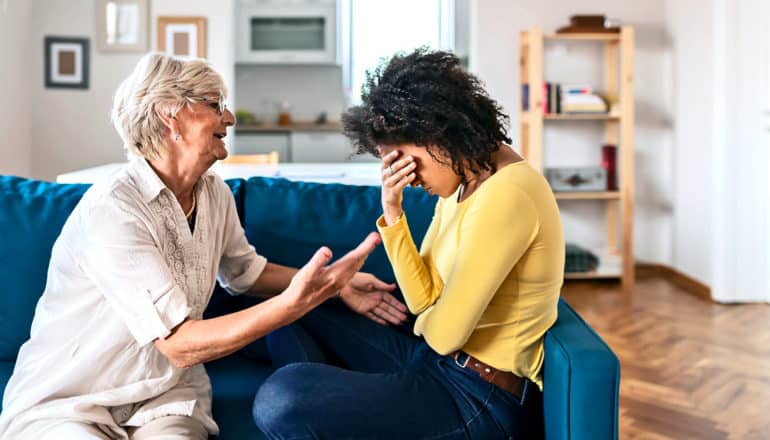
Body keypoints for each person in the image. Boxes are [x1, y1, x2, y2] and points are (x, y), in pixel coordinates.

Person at [0, 53, 405, 440]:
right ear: (169, 114)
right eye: (215, 104)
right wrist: (292, 305)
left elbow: (245, 275)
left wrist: (335, 285)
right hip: (74, 400)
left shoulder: (213, 193)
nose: (228, 117)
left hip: (166, 398)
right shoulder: (114, 210)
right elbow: (178, 343)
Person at [252, 48, 565, 439]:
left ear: (436, 131)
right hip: (437, 364)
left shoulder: (509, 194)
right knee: (296, 306)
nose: (406, 175)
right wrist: (392, 208)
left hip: (479, 398)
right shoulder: (464, 181)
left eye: (404, 158)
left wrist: (433, 319)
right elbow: (422, 300)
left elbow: (444, 332)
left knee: (281, 399)